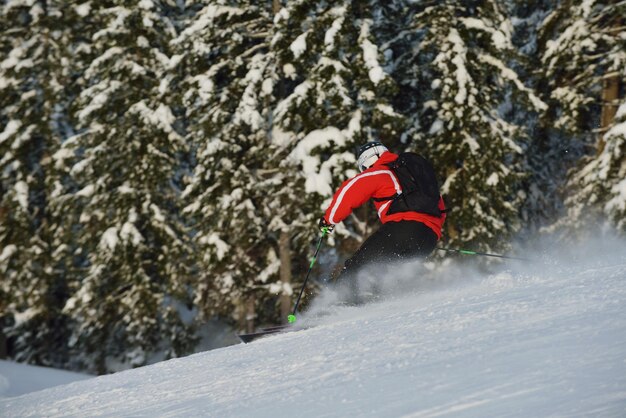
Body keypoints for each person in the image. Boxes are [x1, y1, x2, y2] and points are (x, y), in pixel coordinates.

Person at [319, 141, 446, 296]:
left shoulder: (383, 172)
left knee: (359, 265)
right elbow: (440, 209)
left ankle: (339, 304)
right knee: (390, 272)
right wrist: (423, 234)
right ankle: (386, 303)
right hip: (429, 239)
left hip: (403, 228)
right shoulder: (416, 179)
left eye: (363, 168)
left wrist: (329, 219)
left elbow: (351, 189)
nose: (364, 171)